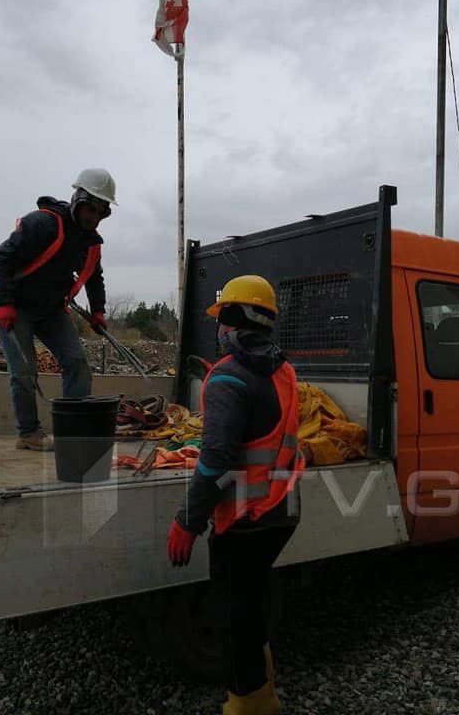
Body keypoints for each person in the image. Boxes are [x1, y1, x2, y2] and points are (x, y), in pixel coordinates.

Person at [167, 275, 303, 715]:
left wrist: (187, 520)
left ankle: (248, 705)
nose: (218, 330)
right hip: (281, 508)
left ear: (235, 320)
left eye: (221, 319)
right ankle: (263, 688)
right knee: (251, 600)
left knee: (231, 616)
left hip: (245, 518)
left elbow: (216, 461)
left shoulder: (227, 378)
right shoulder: (284, 370)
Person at [0, 168, 116, 451]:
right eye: (89, 209)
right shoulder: (43, 224)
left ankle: (71, 434)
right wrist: (5, 303)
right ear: (77, 200)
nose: (93, 218)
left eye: (100, 213)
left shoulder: (90, 241)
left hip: (51, 311)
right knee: (24, 372)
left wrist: (98, 312)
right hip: (17, 307)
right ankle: (28, 433)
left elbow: (94, 276)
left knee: (78, 364)